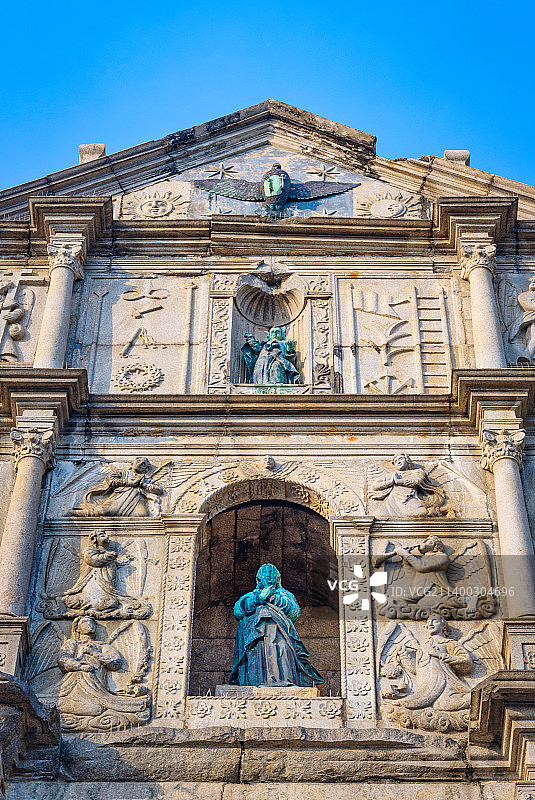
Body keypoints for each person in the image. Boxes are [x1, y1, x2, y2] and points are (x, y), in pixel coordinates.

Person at [229, 563, 323, 687]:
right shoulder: (251, 596)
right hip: (256, 636)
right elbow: (238, 611)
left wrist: (272, 598)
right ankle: (256, 682)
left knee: (282, 650)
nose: (268, 575)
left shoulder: (285, 595)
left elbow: (294, 612)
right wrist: (259, 598)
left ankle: (282, 680)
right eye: (265, 572)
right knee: (257, 654)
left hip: (280, 633)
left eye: (271, 572)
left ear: (277, 577)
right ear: (259, 578)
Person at [72, 456, 163, 517]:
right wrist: (128, 483)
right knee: (103, 512)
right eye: (139, 461)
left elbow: (159, 489)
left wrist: (143, 484)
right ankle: (75, 513)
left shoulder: (144, 478)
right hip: (120, 496)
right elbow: (111, 481)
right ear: (132, 464)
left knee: (142, 514)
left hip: (135, 500)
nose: (141, 463)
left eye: (144, 465)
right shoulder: (121, 473)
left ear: (145, 470)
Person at [368, 453, 446, 517]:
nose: (398, 462)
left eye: (400, 459)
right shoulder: (392, 475)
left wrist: (399, 481)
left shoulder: (417, 472)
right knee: (379, 515)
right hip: (392, 502)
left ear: (407, 460)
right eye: (395, 461)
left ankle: (435, 511)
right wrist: (390, 482)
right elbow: (375, 486)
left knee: (421, 513)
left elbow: (416, 481)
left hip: (408, 499)